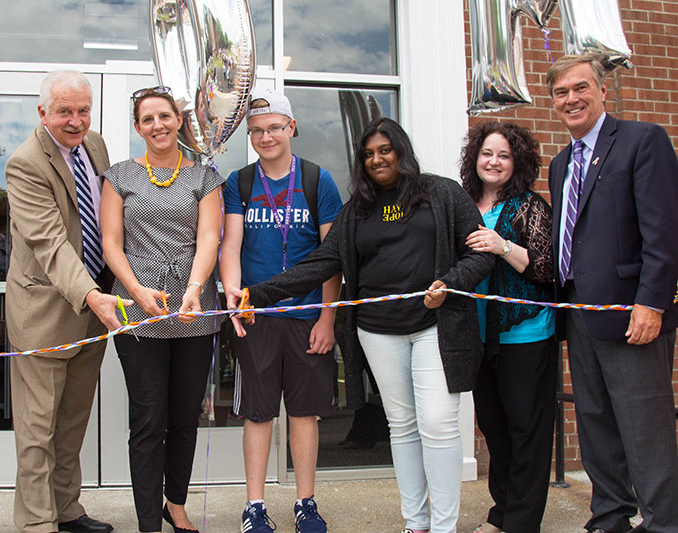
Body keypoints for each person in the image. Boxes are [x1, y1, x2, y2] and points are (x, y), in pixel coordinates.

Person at [237, 117, 494, 533]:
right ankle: (417, 523)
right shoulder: (358, 210)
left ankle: (444, 526)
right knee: (403, 426)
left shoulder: (442, 193)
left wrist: (450, 284)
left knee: (438, 423)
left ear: (402, 151)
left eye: (385, 150)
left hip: (436, 326)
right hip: (377, 331)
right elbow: (322, 263)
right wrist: (260, 293)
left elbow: (480, 253)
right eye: (369, 153)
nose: (377, 159)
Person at [546, 54, 678, 533]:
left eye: (580, 88)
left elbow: (664, 233)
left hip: (631, 311)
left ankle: (664, 522)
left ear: (604, 91)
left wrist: (652, 303)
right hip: (579, 311)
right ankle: (610, 517)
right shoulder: (561, 163)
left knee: (646, 427)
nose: (571, 99)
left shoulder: (643, 141)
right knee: (595, 419)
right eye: (561, 93)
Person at [5, 70, 128, 533]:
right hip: (46, 312)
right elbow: (49, 243)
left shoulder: (94, 146)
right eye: (64, 112)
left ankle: (66, 510)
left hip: (95, 307)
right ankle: (37, 523)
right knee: (38, 429)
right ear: (42, 113)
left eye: (82, 110)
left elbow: (106, 222)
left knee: (73, 420)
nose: (75, 122)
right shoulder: (24, 164)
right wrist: (94, 296)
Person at [99, 86, 223, 533]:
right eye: (148, 119)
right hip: (138, 311)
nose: (158, 126)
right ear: (138, 127)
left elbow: (209, 238)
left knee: (185, 416)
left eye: (165, 116)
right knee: (149, 418)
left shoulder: (204, 177)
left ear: (178, 120)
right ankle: (148, 520)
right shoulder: (119, 177)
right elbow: (111, 243)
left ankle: (177, 504)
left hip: (194, 310)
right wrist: (135, 290)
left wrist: (195, 289)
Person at [220, 89, 342, 533]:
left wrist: (328, 318)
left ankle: (305, 502)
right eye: (256, 130)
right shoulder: (241, 182)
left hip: (308, 317)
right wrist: (234, 295)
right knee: (258, 413)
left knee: (305, 413)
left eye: (274, 127)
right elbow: (230, 245)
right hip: (258, 319)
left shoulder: (317, 180)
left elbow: (333, 256)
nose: (266, 136)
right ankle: (255, 505)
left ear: (291, 128)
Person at [460, 122, 556, 533]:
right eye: (487, 153)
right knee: (494, 429)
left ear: (516, 162)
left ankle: (520, 523)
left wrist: (501, 245)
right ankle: (503, 512)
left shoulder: (529, 205)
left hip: (525, 334)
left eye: (503, 155)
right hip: (477, 335)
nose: (493, 162)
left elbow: (546, 267)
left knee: (526, 430)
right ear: (474, 158)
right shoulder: (463, 203)